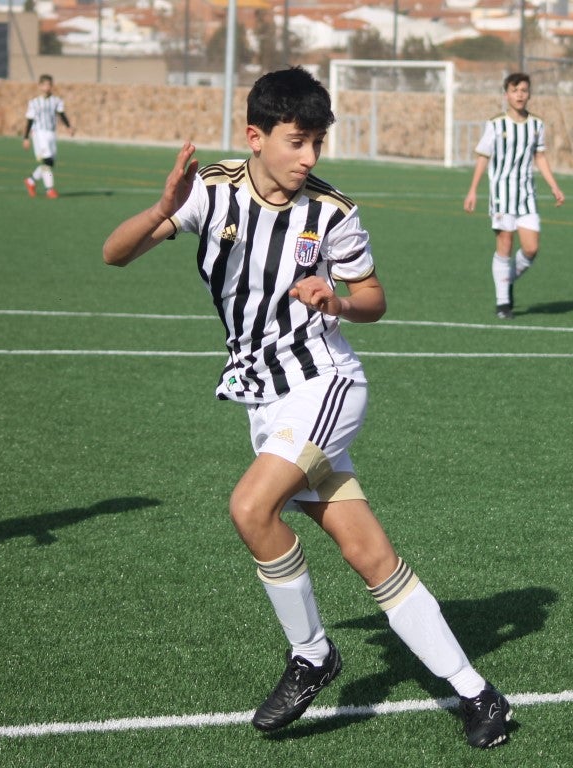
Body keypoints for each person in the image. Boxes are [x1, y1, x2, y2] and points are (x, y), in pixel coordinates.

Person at [102, 67, 512, 749]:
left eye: (318, 142)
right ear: (255, 136)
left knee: (249, 508)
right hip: (266, 399)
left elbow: (374, 298)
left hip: (325, 384)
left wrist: (339, 301)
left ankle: (313, 653)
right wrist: (162, 206)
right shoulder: (211, 192)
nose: (309, 157)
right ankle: (479, 694)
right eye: (297, 141)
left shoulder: (332, 212)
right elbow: (114, 255)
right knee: (368, 553)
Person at [464, 72, 565, 319]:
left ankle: (506, 280)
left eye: (523, 90)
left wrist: (554, 186)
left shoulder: (536, 125)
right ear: (506, 94)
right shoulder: (495, 124)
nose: (519, 95)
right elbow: (483, 156)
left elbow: (539, 156)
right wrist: (473, 189)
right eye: (514, 90)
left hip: (526, 194)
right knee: (505, 244)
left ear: (529, 94)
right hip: (501, 194)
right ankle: (503, 303)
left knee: (531, 248)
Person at [22, 74, 74, 199]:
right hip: (39, 133)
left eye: (49, 84)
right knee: (47, 160)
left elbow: (61, 114)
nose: (47, 87)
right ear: (40, 86)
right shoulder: (34, 102)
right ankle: (49, 189)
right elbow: (30, 120)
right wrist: (26, 138)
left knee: (49, 163)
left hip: (51, 133)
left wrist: (68, 126)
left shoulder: (56, 101)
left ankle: (31, 181)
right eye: (44, 84)